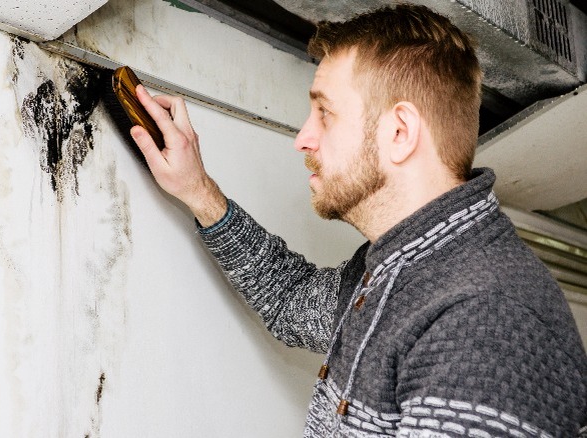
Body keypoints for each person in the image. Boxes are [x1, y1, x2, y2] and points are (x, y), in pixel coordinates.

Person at [130, 4, 587, 437]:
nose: (303, 140)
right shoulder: (395, 268)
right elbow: (291, 301)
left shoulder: (485, 322)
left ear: (399, 133)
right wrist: (198, 190)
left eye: (324, 113)